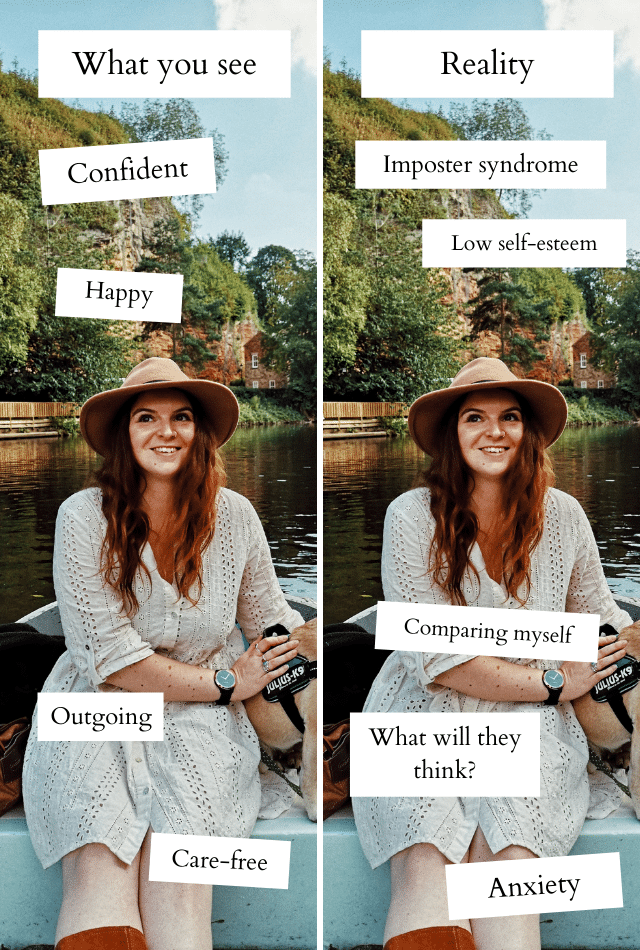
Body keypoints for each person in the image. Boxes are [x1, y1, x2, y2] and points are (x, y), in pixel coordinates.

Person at [22, 357, 309, 950]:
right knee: (98, 866)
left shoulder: (236, 515)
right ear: (125, 435)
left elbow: (269, 620)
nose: (166, 431)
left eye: (181, 417)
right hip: (98, 708)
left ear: (199, 432)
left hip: (204, 721)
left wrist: (299, 644)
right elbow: (110, 659)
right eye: (146, 417)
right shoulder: (82, 517)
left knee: (179, 884)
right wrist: (230, 682)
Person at [352, 357, 636, 950]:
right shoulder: (410, 515)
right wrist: (558, 682)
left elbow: (601, 616)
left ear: (527, 432)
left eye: (509, 417)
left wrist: (624, 641)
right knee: (424, 851)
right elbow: (439, 660)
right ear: (453, 435)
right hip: (421, 710)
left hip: (529, 719)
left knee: (509, 856)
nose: (495, 431)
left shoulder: (563, 515)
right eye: (475, 417)